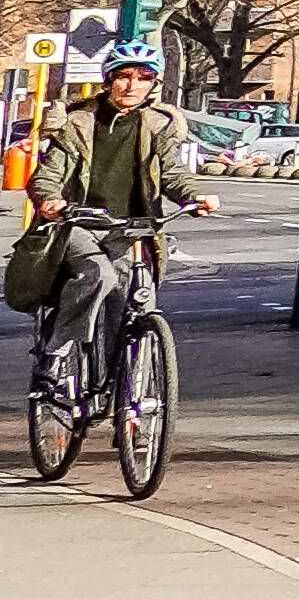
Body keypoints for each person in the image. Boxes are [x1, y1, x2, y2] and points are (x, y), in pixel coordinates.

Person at [25, 55, 209, 388]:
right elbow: (48, 174)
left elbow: (172, 173)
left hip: (133, 230)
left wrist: (193, 197)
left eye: (143, 77)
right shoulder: (78, 122)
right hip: (80, 224)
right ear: (109, 80)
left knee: (134, 305)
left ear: (153, 84)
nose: (132, 85)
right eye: (123, 76)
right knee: (98, 275)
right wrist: (50, 200)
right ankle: (58, 351)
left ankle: (124, 391)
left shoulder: (158, 125)